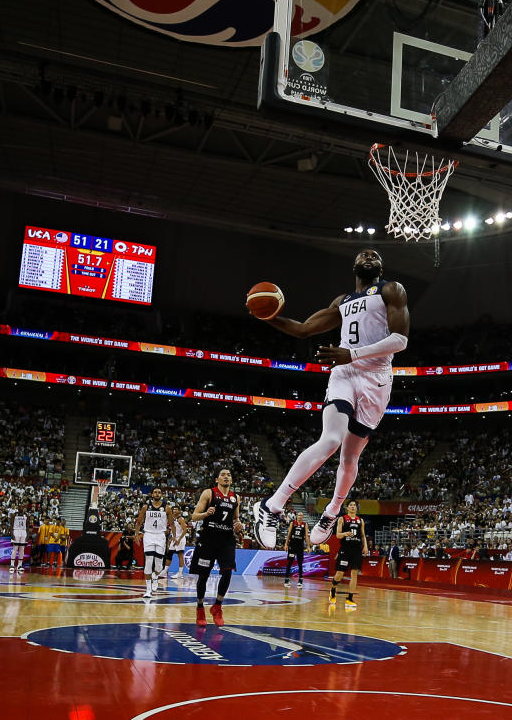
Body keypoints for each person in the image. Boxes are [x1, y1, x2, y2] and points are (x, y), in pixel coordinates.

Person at [252, 249, 410, 547]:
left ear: (380, 267)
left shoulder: (391, 290)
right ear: (354, 266)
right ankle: (271, 506)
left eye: (374, 254)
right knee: (331, 439)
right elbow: (302, 329)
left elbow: (400, 340)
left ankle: (332, 511)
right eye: (363, 253)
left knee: (350, 458)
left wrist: (352, 353)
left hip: (376, 379)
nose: (368, 255)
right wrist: (268, 315)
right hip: (345, 373)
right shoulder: (342, 302)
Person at [189, 468, 242, 627]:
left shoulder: (236, 497)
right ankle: (200, 608)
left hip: (226, 539)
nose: (226, 477)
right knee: (203, 576)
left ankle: (217, 606)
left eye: (229, 475)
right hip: (208, 538)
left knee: (227, 573)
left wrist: (237, 525)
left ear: (231, 480)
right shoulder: (208, 493)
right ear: (217, 479)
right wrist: (206, 513)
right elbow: (194, 516)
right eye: (223, 475)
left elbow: (236, 519)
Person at [329, 500, 367, 610]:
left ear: (357, 508)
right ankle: (333, 588)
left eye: (354, 505)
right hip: (345, 549)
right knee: (340, 573)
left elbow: (363, 535)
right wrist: (345, 534)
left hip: (356, 550)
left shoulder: (361, 521)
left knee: (354, 573)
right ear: (347, 508)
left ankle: (349, 599)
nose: (353, 507)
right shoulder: (342, 519)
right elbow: (338, 535)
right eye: (351, 505)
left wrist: (365, 546)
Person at [137, 488, 170, 598]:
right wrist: (136, 534)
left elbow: (171, 524)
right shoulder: (146, 507)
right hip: (149, 535)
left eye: (159, 492)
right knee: (148, 561)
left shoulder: (166, 508)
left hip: (160, 535)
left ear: (161, 494)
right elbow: (139, 521)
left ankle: (155, 576)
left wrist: (173, 537)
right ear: (152, 494)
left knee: (159, 566)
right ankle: (148, 590)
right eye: (155, 492)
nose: (157, 494)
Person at [283, 509, 307, 588]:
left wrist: (309, 546)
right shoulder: (292, 523)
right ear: (296, 516)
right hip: (292, 546)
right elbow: (289, 534)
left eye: (301, 515)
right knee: (290, 562)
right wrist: (286, 544)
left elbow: (306, 536)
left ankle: (300, 580)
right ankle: (286, 579)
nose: (300, 517)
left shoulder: (305, 524)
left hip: (300, 546)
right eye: (299, 515)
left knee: (300, 563)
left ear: (303, 517)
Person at [167, 504, 190, 580]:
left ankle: (180, 573)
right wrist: (171, 537)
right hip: (174, 538)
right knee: (169, 553)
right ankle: (165, 571)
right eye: (174, 509)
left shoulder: (180, 519)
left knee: (180, 555)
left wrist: (179, 540)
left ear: (179, 511)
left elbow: (185, 530)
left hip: (180, 539)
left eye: (176, 509)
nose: (175, 510)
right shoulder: (172, 519)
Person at [10, 509, 28, 573]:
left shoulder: (26, 515)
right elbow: (11, 525)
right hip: (16, 530)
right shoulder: (14, 515)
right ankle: (12, 565)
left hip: (23, 531)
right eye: (20, 507)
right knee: (15, 548)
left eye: (22, 507)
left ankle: (19, 565)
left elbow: (27, 526)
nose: (21, 508)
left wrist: (27, 535)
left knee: (22, 549)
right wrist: (12, 533)